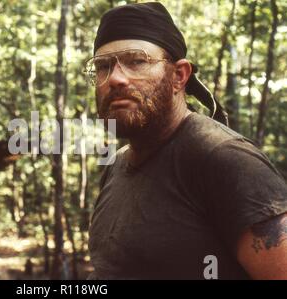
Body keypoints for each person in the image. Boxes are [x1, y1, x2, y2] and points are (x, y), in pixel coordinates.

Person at [86, 2, 287, 279]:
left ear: (179, 76)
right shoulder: (117, 165)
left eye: (137, 61)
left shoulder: (224, 159)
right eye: (103, 66)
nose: (116, 78)